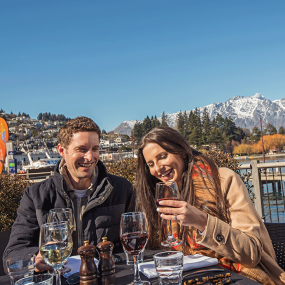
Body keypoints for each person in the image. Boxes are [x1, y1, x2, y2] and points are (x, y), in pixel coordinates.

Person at [135, 126, 285, 285]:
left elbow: (251, 254)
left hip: (239, 276)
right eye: (151, 164)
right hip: (191, 278)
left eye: (163, 156)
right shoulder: (160, 196)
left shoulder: (223, 181)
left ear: (181, 151)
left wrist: (203, 222)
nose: (158, 168)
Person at [3, 116, 135, 272]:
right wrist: (34, 259)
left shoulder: (121, 189)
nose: (90, 157)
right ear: (61, 150)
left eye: (95, 149)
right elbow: (12, 254)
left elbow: (135, 243)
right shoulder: (35, 196)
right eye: (81, 149)